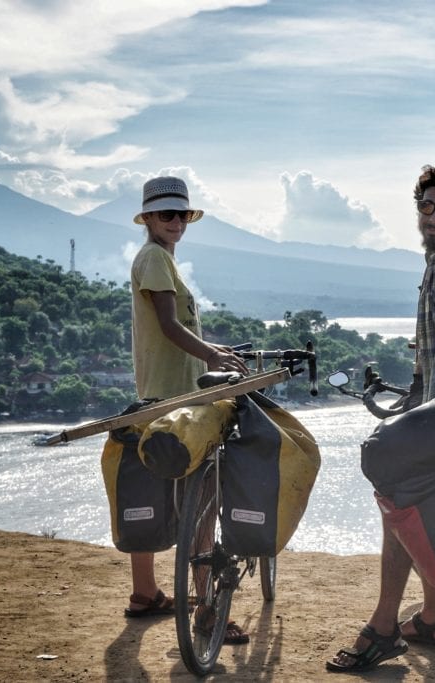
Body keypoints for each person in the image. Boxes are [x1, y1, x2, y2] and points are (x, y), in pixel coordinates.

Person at [327, 165, 435, 673]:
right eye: (428, 206)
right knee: (425, 507)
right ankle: (431, 616)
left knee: (396, 497)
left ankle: (383, 627)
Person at [122, 175, 251, 646]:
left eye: (181, 214)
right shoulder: (155, 257)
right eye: (166, 215)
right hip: (176, 399)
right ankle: (207, 608)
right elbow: (168, 324)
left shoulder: (160, 258)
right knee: (205, 498)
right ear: (149, 218)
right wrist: (214, 358)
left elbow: (176, 331)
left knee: (150, 491)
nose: (175, 222)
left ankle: (145, 593)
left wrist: (210, 347)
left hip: (157, 394)